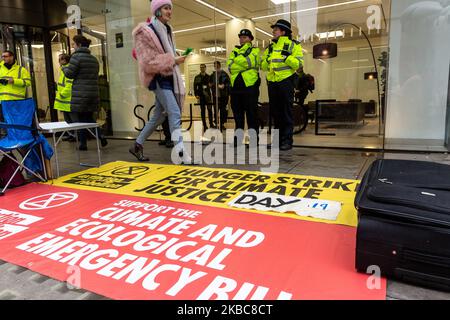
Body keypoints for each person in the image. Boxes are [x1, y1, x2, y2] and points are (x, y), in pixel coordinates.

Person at [129, 0, 193, 164]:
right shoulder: (145, 32)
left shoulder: (167, 30)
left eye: (170, 8)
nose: (169, 11)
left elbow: (167, 55)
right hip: (158, 78)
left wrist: (174, 59)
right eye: (166, 8)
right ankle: (180, 154)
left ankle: (137, 145)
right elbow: (147, 62)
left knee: (157, 117)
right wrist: (173, 60)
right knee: (175, 112)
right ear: (157, 10)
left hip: (169, 77)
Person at [262, 19, 304, 151]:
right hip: (273, 83)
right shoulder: (271, 47)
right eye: (273, 30)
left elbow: (298, 65)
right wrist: (267, 60)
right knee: (275, 113)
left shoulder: (293, 45)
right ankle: (277, 142)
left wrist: (287, 57)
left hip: (286, 82)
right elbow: (263, 66)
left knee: (286, 112)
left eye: (275, 30)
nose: (273, 32)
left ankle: (287, 141)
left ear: (283, 31)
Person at [62, 35, 108, 151]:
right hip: (92, 93)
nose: (72, 46)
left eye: (74, 44)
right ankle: (100, 135)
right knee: (89, 118)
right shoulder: (93, 59)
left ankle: (83, 144)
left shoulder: (76, 58)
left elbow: (70, 74)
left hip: (81, 93)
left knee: (81, 120)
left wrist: (64, 67)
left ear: (79, 45)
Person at [227, 29, 261, 146]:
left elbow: (250, 63)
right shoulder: (234, 50)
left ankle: (253, 140)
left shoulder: (255, 50)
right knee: (238, 115)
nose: (242, 39)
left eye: (245, 37)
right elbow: (230, 67)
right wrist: (241, 64)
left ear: (250, 39)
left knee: (251, 115)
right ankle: (238, 140)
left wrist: (237, 61)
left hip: (250, 86)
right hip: (235, 87)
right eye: (241, 37)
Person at [0, 50, 32, 138]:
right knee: (4, 125)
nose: (3, 58)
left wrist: (14, 81)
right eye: (2, 56)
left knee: (16, 123)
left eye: (5, 56)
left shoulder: (21, 69)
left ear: (12, 57)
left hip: (17, 102)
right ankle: (6, 146)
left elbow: (28, 82)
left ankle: (19, 141)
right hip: (2, 102)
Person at [54, 53, 75, 142]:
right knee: (68, 120)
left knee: (72, 120)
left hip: (67, 99)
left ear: (64, 60)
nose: (59, 61)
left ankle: (75, 135)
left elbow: (69, 84)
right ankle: (71, 135)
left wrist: (63, 94)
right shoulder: (64, 69)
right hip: (64, 100)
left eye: (60, 59)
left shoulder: (68, 69)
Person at [209, 61, 231, 132]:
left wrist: (224, 86)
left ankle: (222, 124)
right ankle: (216, 124)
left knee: (223, 111)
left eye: (217, 65)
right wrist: (210, 85)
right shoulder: (212, 75)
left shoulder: (224, 74)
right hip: (215, 96)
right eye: (214, 65)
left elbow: (229, 84)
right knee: (216, 110)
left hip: (223, 96)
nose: (216, 66)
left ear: (219, 65)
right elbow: (210, 83)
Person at [193, 64, 214, 131]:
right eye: (201, 67)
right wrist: (196, 95)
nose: (202, 68)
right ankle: (204, 125)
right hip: (201, 96)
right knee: (203, 111)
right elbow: (195, 87)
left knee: (210, 110)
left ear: (205, 68)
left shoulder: (209, 76)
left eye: (203, 67)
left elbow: (212, 86)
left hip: (208, 96)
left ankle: (211, 124)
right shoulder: (197, 77)